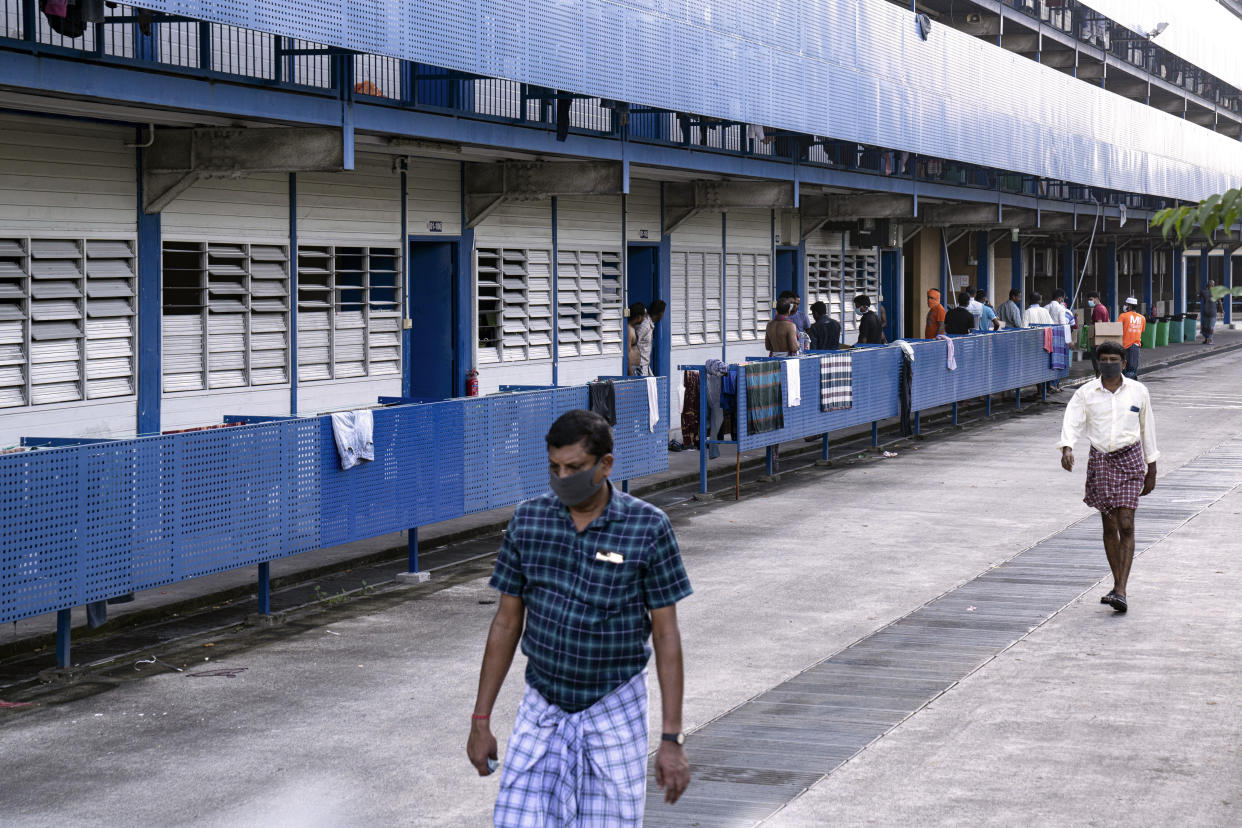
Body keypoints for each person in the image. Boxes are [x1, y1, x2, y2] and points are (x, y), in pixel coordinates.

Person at [468, 410, 693, 824]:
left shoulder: (647, 527)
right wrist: (480, 719)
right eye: (554, 467)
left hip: (614, 706)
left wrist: (671, 737)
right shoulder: (529, 521)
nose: (562, 477)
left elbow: (666, 635)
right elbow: (506, 621)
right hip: (543, 704)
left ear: (605, 465)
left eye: (574, 468)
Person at [1056, 342, 1159, 614]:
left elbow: (1147, 428)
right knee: (1109, 525)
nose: (1110, 363)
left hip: (1131, 460)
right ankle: (1117, 585)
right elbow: (1073, 420)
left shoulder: (1138, 391)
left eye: (1115, 359)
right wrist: (1067, 448)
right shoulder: (1086, 393)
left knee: (1126, 524)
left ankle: (1121, 590)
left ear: (1124, 364)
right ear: (1098, 363)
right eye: (1105, 359)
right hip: (1101, 460)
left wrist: (1153, 467)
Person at [1118, 297, 1146, 380]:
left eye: (1126, 304)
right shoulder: (1142, 318)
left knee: (1123, 368)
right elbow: (1142, 330)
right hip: (1135, 346)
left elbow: (1117, 329)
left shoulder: (1123, 316)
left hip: (1124, 346)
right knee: (1133, 369)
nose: (1124, 306)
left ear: (1129, 306)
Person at [1199, 280, 1222, 344]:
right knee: (1211, 327)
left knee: (1205, 327)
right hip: (1213, 312)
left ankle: (1206, 339)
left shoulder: (1203, 291)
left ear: (1207, 284)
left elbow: (1199, 297)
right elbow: (1220, 302)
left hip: (1206, 312)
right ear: (1213, 285)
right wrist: (1222, 311)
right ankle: (1210, 340)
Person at [627, 303, 647, 376]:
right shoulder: (629, 330)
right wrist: (631, 374)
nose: (644, 318)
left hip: (636, 368)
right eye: (644, 316)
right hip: (632, 370)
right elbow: (627, 353)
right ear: (638, 317)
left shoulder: (632, 328)